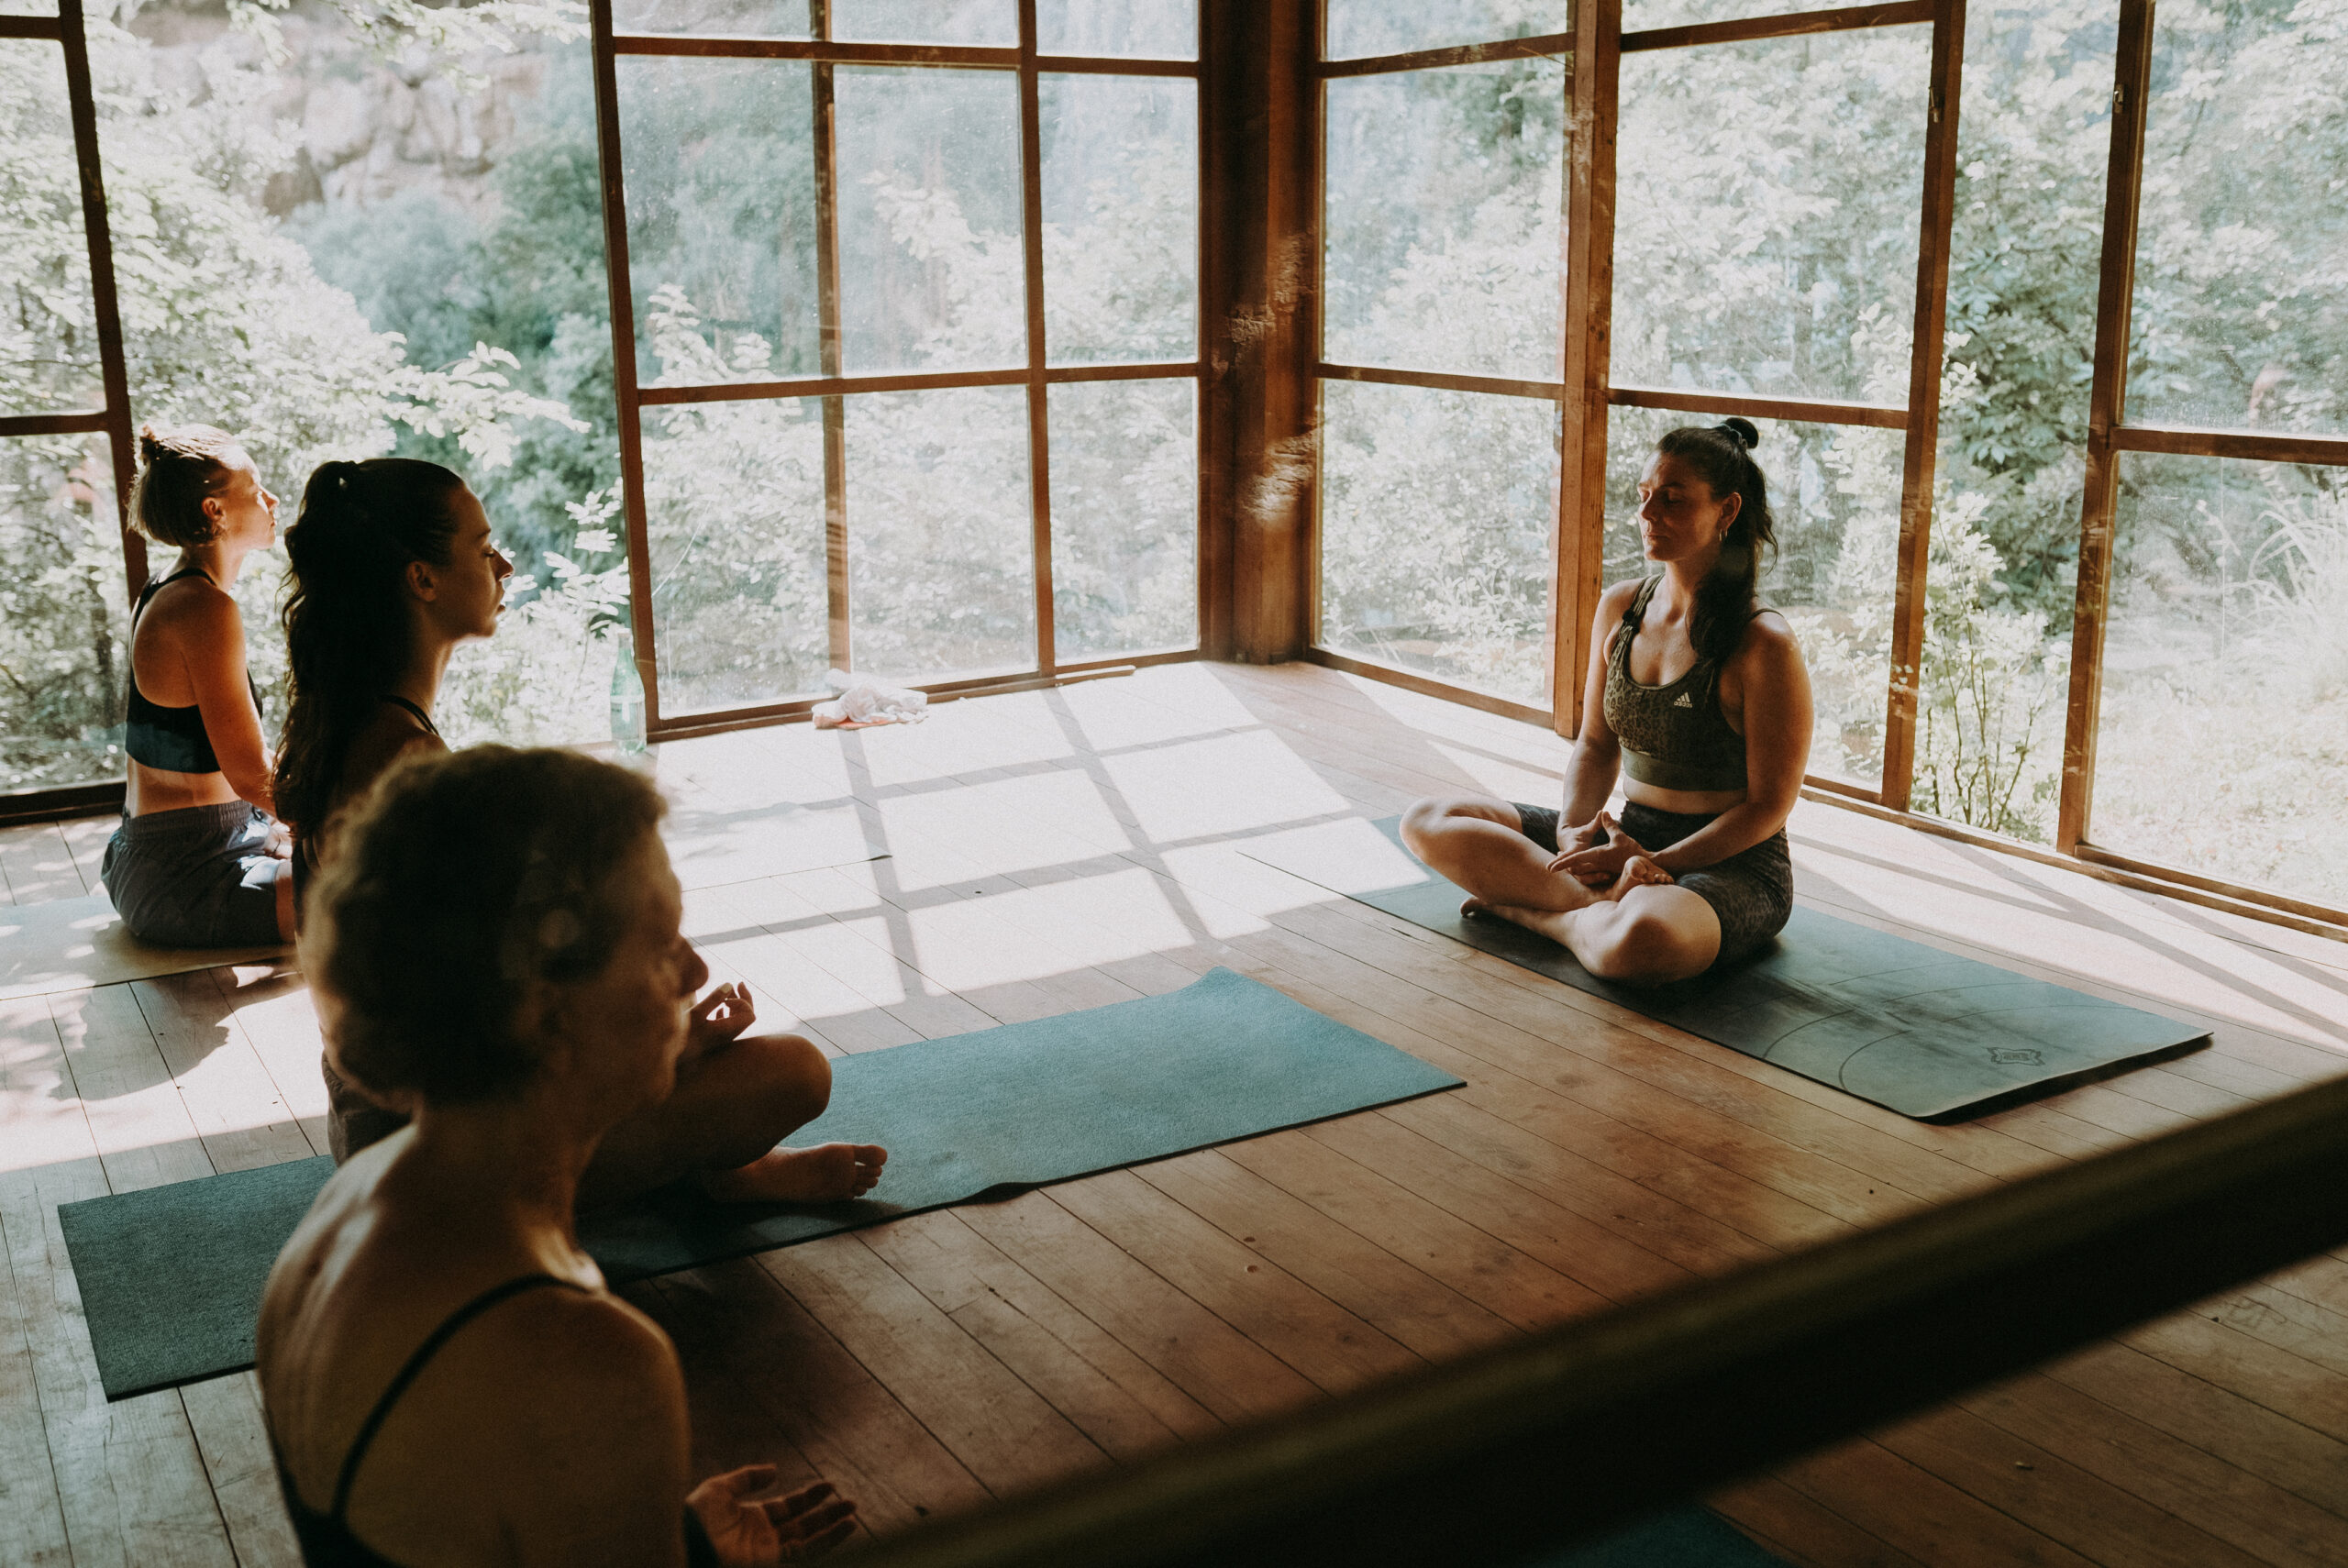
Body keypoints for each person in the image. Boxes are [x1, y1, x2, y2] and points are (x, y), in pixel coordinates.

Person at [259, 745, 859, 1567]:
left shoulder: (349, 1209)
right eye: (657, 944)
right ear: (541, 1013)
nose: (694, 969)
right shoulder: (586, 1360)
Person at [273, 458, 883, 1207]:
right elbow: (468, 1021)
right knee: (796, 1073)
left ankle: (695, 1170)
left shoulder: (363, 725)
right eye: (482, 545)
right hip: (439, 1136)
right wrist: (669, 1046)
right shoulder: (398, 757)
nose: (504, 562)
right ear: (421, 579)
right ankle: (722, 1182)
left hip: (394, 1113)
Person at [1401, 419, 1813, 985]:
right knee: (1428, 820)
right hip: (1621, 839)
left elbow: (1769, 807)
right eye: (1643, 497)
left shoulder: (1763, 643)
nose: (1647, 515)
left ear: (1727, 510)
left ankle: (1545, 917)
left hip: (1729, 865)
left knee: (1645, 942)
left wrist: (1657, 865)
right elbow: (1596, 744)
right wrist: (1574, 832)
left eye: (1672, 500)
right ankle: (1597, 904)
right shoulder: (1622, 607)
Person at [102, 425, 296, 945]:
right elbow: (252, 777)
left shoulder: (171, 587)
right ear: (215, 510)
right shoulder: (202, 607)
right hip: (184, 873)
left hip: (185, 846)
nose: (272, 499)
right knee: (379, 888)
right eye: (256, 490)